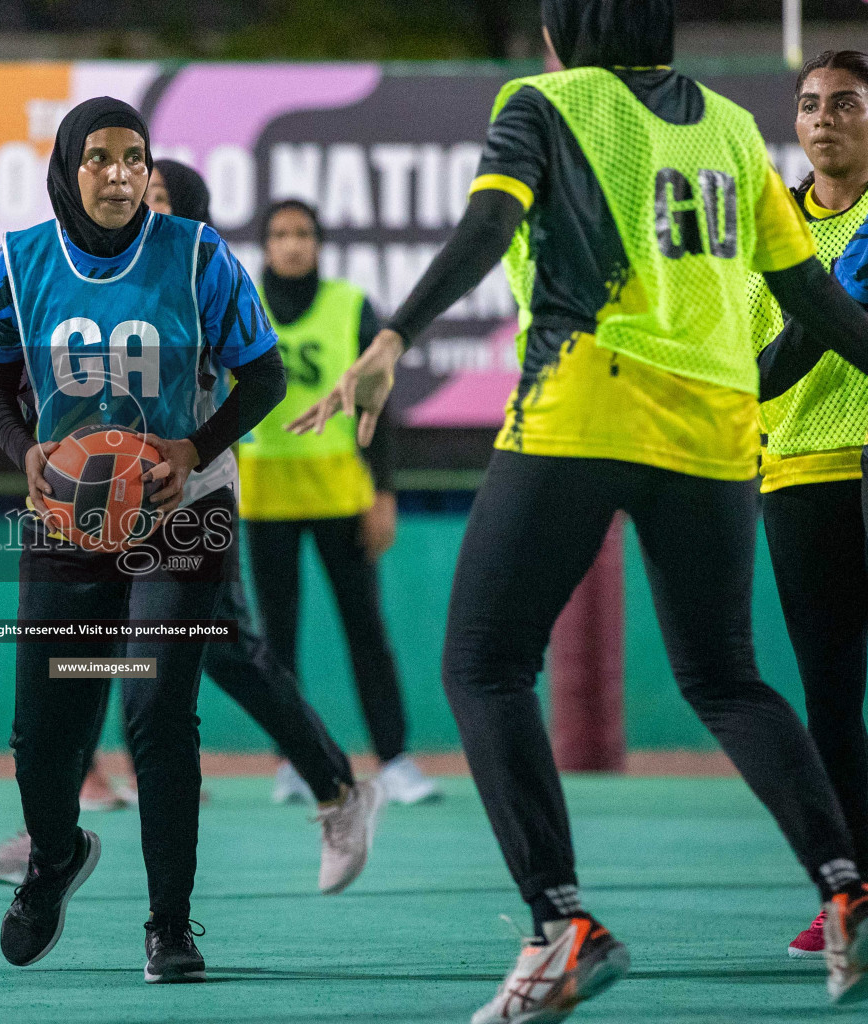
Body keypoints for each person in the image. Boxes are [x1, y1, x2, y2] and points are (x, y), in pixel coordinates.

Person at [292, 1, 868, 1017]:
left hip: (586, 404)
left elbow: (490, 222)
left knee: (483, 661)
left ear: (563, 32)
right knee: (728, 677)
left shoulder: (544, 103)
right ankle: (849, 888)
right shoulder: (733, 126)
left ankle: (560, 924)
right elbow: (816, 296)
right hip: (719, 432)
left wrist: (396, 337)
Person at [0, 116, 385, 982]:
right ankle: (54, 857)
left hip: (182, 511)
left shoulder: (199, 259)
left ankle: (170, 926)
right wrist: (27, 454)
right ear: (67, 170)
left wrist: (194, 450)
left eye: (134, 159)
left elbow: (264, 374)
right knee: (40, 729)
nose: (119, 175)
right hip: (68, 515)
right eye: (99, 159)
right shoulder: (18, 262)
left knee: (158, 708)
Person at [240, 198, 438, 807]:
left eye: (303, 233)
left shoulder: (350, 305)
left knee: (365, 629)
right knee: (278, 636)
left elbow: (380, 401)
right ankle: (294, 765)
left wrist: (383, 492)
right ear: (266, 244)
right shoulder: (240, 303)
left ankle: (394, 759)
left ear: (319, 243)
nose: (293, 243)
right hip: (264, 492)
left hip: (339, 491)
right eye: (280, 233)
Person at [748, 50, 868, 962]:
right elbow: (759, 366)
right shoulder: (768, 227)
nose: (824, 118)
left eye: (848, 104)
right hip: (796, 477)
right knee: (829, 702)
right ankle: (850, 889)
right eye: (811, 104)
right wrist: (829, 308)